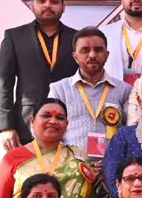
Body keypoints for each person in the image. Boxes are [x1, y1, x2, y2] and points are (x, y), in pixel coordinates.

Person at [0, 99, 108, 198]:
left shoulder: (78, 156)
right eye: (46, 115)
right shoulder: (13, 158)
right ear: (32, 121)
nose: (53, 121)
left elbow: (101, 196)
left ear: (67, 125)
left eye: (60, 118)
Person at [0, 0, 76, 149]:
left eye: (54, 1)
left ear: (63, 6)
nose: (47, 5)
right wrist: (6, 126)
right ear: (32, 5)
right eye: (41, 0)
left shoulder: (77, 38)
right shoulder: (14, 37)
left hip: (68, 124)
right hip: (25, 125)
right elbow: (4, 82)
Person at [47, 27, 132, 159]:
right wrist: (70, 163)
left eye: (98, 50)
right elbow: (50, 132)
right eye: (85, 50)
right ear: (75, 56)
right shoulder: (59, 89)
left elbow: (132, 133)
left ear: (107, 55)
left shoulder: (124, 90)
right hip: (71, 166)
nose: (92, 55)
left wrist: (114, 163)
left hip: (113, 167)